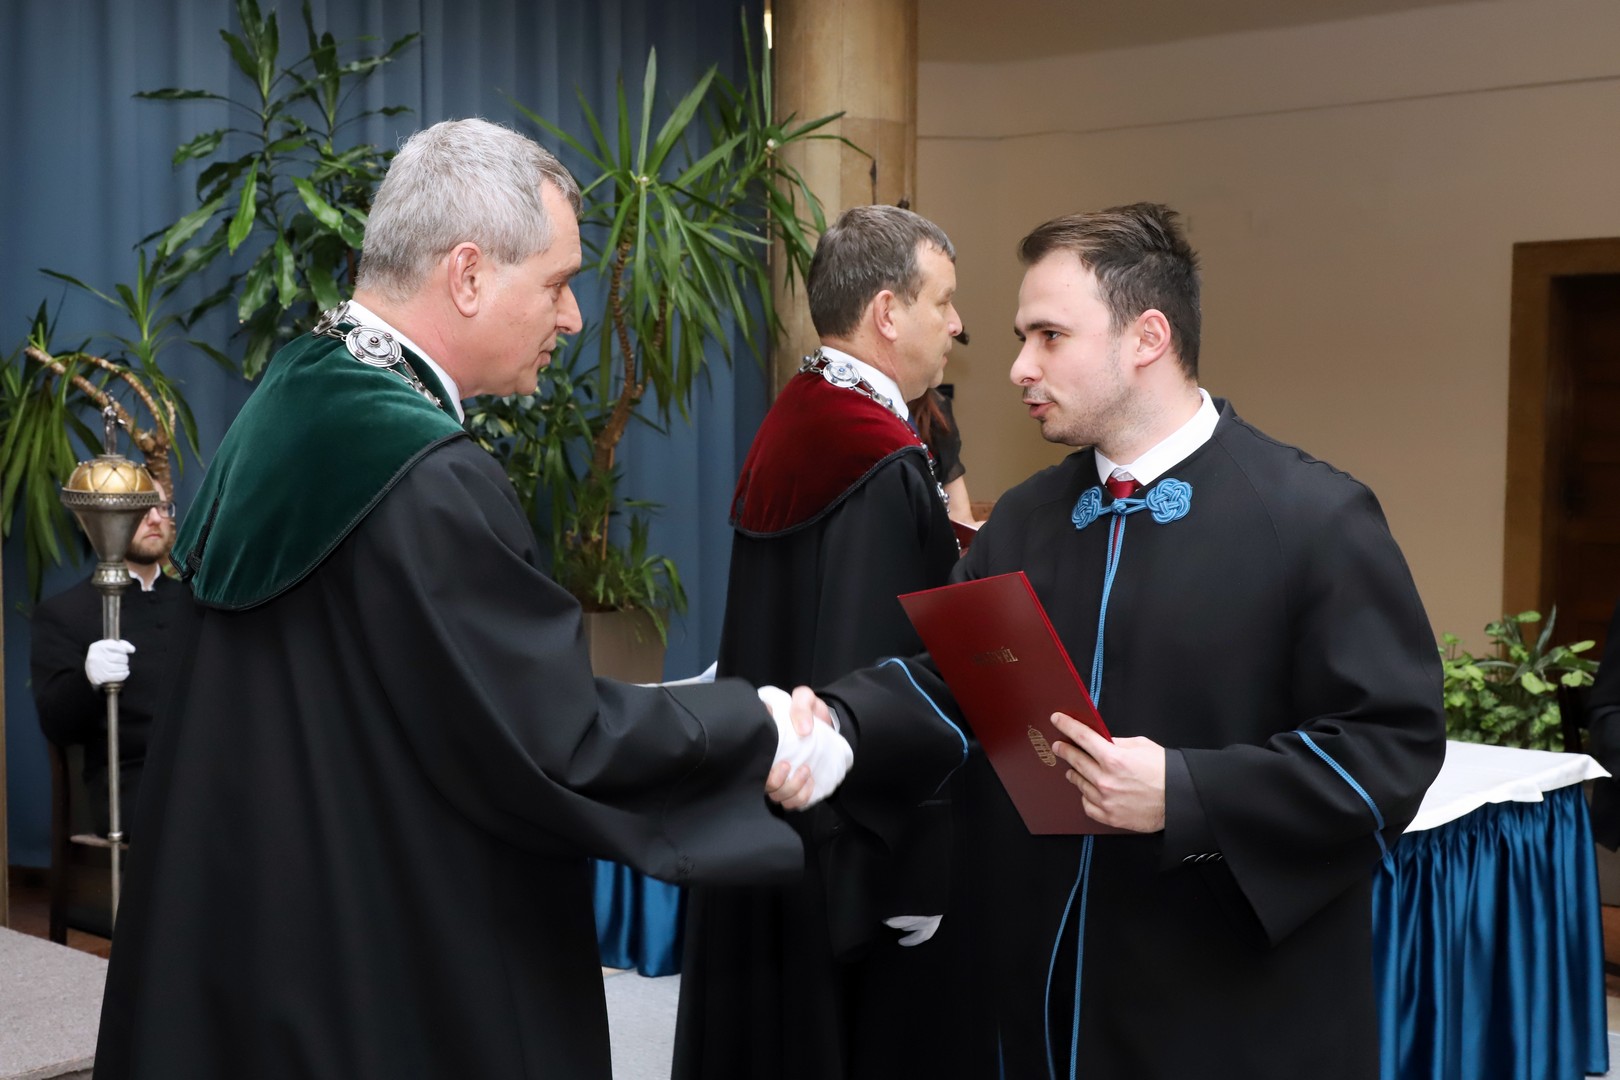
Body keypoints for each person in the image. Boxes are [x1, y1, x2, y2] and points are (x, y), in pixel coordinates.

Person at [92, 118, 856, 1080]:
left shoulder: (300, 389)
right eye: (558, 282)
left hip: (271, 929)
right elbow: (553, 740)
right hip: (386, 960)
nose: (573, 318)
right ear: (467, 275)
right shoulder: (423, 470)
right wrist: (760, 728)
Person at [824, 203, 1447, 1078]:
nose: (1018, 367)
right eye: (1022, 337)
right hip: (1041, 992)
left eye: (1049, 336)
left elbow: (1390, 747)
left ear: (1148, 337)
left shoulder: (1315, 518)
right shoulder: (1028, 518)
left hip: (1229, 1000)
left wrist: (1186, 792)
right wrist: (830, 721)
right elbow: (953, 683)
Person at [674, 205, 971, 1080]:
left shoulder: (797, 417)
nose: (957, 324)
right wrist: (911, 871)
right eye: (943, 301)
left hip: (769, 819)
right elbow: (877, 674)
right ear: (888, 313)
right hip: (843, 849)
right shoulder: (879, 458)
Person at [30, 481, 199, 838]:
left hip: (206, 769)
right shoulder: (66, 613)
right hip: (130, 784)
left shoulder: (196, 602)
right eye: (140, 509)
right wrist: (87, 679)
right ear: (106, 520)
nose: (156, 519)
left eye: (162, 507)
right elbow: (57, 726)